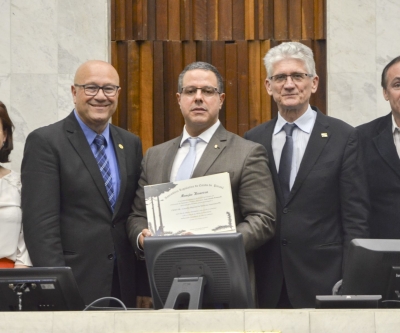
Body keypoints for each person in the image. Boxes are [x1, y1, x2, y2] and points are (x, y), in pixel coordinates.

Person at [127, 61, 276, 294]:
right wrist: (141, 236)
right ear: (179, 99)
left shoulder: (247, 153)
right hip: (166, 282)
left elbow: (263, 219)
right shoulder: (154, 156)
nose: (198, 98)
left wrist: (217, 241)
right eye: (190, 91)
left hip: (225, 281)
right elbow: (137, 215)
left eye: (207, 91)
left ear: (221, 99)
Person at [244, 42, 369, 308]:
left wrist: (353, 281)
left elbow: (355, 218)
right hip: (267, 282)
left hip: (325, 279)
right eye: (280, 77)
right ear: (269, 86)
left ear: (313, 83)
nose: (289, 84)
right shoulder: (253, 140)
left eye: (297, 76)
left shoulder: (343, 137)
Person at [21, 60, 146, 307]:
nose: (100, 96)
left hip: (123, 285)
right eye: (91, 88)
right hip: (73, 282)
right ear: (74, 92)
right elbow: (40, 226)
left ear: (118, 94)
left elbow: (131, 215)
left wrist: (142, 285)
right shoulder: (46, 142)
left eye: (109, 89)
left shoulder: (130, 143)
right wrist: (57, 286)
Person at [357, 56, 400, 238]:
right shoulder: (361, 138)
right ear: (385, 93)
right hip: (383, 256)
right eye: (398, 85)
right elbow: (356, 205)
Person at [0, 101, 31, 269]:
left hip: (9, 281)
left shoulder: (20, 185)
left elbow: (29, 242)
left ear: (4, 135)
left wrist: (17, 280)